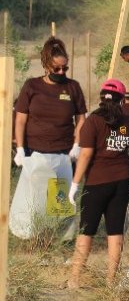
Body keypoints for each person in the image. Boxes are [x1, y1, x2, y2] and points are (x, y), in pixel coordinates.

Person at [67, 79, 129, 288]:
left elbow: (86, 154)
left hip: (97, 182)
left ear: (101, 97)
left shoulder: (93, 121)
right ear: (122, 99)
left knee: (86, 229)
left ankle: (74, 279)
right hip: (122, 181)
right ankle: (111, 281)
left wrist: (75, 183)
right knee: (115, 230)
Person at [13, 38, 87, 225]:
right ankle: (34, 238)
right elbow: (20, 119)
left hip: (63, 153)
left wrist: (77, 145)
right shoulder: (32, 86)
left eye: (65, 68)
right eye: (57, 69)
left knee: (59, 203)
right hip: (34, 152)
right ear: (46, 66)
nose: (61, 72)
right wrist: (20, 149)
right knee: (35, 198)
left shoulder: (72, 87)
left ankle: (58, 238)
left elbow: (81, 119)